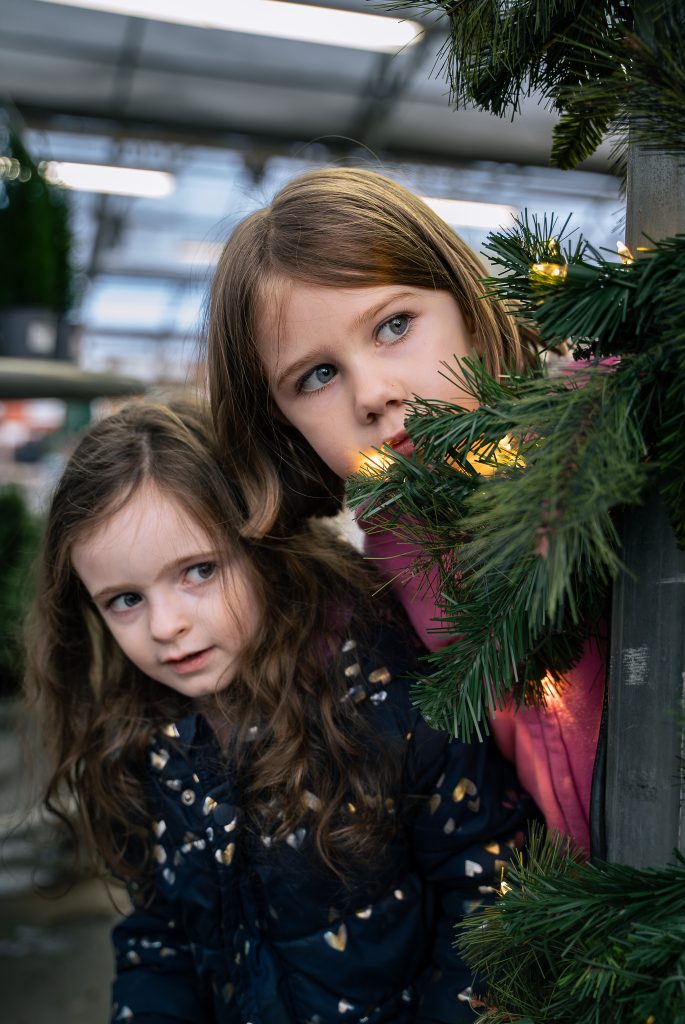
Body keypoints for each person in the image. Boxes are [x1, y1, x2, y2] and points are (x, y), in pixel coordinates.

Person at [24, 396, 537, 1024]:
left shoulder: (388, 694)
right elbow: (160, 941)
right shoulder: (145, 740)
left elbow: (485, 890)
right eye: (125, 599)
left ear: (261, 541)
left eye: (199, 571)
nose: (165, 625)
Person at [205, 166, 606, 857]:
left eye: (393, 325)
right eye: (317, 376)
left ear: (469, 306)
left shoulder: (608, 432)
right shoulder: (390, 560)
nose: (372, 392)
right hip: (592, 905)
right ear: (282, 425)